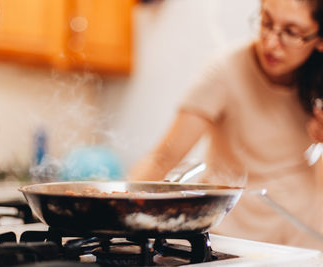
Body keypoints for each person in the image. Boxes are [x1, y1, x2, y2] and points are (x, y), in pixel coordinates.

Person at [128, 0, 323, 250]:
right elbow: (162, 158)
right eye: (266, 22)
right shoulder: (225, 71)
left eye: (291, 32)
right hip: (233, 239)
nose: (272, 42)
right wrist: (123, 217)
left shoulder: (317, 80)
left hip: (302, 235)